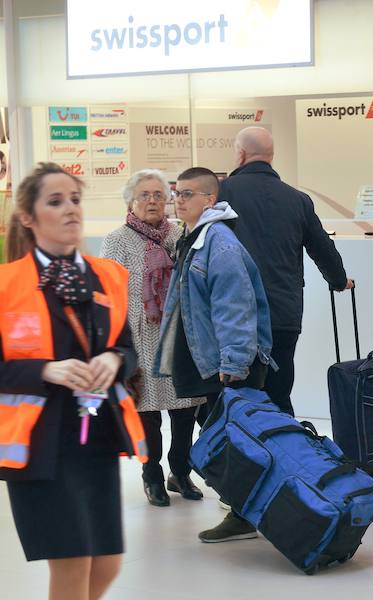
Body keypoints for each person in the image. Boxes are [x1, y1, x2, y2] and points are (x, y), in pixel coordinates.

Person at [0, 162, 146, 600]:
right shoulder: (6, 285)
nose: (70, 210)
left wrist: (112, 361)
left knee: (107, 562)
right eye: (56, 201)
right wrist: (43, 369)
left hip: (96, 436)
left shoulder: (108, 275)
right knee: (72, 563)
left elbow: (128, 349)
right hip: (39, 444)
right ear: (29, 217)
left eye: (76, 200)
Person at [153, 167, 273, 542]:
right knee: (225, 436)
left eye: (187, 193)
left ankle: (244, 516)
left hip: (230, 363)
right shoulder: (194, 237)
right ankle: (243, 510)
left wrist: (234, 361)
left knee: (236, 439)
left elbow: (234, 305)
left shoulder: (217, 242)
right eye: (177, 193)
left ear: (210, 199)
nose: (178, 200)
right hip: (213, 359)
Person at [218, 126, 353, 417]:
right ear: (271, 156)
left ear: (240, 154)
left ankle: (243, 456)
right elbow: (322, 247)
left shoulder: (222, 193)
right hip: (283, 312)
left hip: (234, 313)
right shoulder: (297, 199)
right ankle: (285, 455)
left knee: (235, 396)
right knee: (278, 392)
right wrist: (339, 281)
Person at [101, 169, 205, 507]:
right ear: (131, 200)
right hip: (139, 337)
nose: (152, 201)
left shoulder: (179, 235)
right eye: (144, 195)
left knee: (185, 409)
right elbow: (108, 294)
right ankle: (152, 475)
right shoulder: (117, 240)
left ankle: (180, 469)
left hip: (178, 337)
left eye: (158, 195)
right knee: (147, 413)